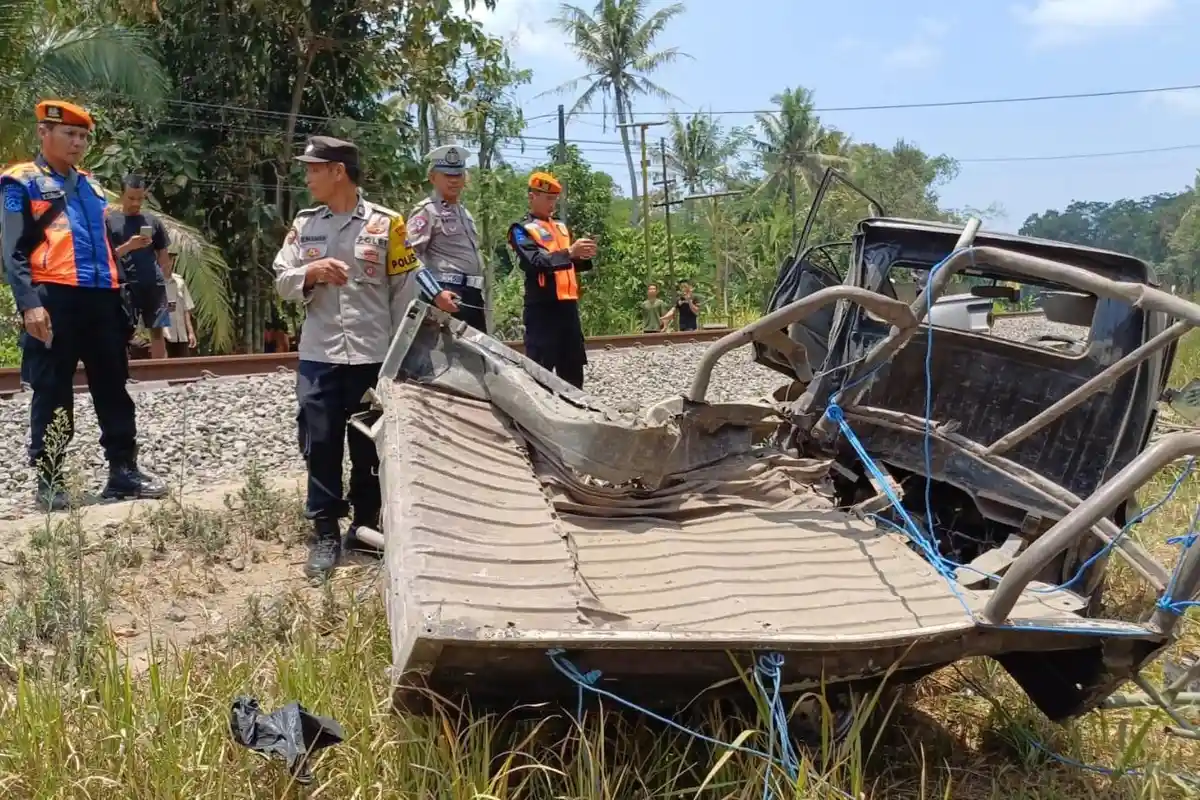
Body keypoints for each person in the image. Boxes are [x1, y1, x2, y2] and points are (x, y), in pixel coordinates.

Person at [274, 135, 456, 579]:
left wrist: (400, 359)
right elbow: (281, 279)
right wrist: (311, 272)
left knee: (369, 448)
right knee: (319, 444)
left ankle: (365, 526)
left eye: (314, 168)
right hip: (320, 355)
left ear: (338, 172)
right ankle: (325, 532)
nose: (307, 176)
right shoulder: (305, 225)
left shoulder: (388, 224)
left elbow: (404, 294)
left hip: (373, 355)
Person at [0, 100, 166, 510]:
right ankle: (50, 481)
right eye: (69, 134)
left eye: (83, 136)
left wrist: (122, 293)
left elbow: (105, 244)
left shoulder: (91, 185)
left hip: (101, 298)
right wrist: (29, 304)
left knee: (113, 387)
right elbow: (12, 251)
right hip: (54, 298)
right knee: (52, 389)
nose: (78, 143)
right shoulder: (19, 182)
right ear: (44, 133)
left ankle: (123, 472)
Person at [507, 171, 596, 389]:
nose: (552, 204)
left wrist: (582, 255)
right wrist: (570, 253)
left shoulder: (561, 227)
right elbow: (535, 261)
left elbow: (568, 262)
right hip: (542, 308)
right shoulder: (521, 229)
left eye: (555, 199)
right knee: (541, 368)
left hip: (568, 307)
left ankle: (575, 406)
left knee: (573, 368)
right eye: (547, 198)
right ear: (532, 197)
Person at [406, 144, 487, 331]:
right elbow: (408, 255)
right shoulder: (427, 210)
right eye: (447, 175)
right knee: (445, 349)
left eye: (458, 175)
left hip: (472, 295)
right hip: (445, 292)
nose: (453, 180)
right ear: (433, 177)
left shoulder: (465, 213)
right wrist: (435, 293)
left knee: (477, 349)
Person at [105, 174, 171, 359]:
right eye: (131, 198)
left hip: (153, 284)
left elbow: (163, 254)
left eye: (140, 198)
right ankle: (121, 372)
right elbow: (106, 257)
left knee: (157, 331)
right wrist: (128, 246)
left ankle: (160, 370)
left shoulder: (153, 221)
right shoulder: (110, 221)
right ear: (122, 195)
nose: (136, 203)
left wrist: (166, 278)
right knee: (122, 332)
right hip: (125, 286)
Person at [160, 243, 196, 357]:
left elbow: (186, 309)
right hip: (165, 335)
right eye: (166, 259)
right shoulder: (157, 283)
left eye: (171, 259)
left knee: (183, 364)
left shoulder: (179, 281)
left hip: (181, 335)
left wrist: (191, 332)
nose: (168, 262)